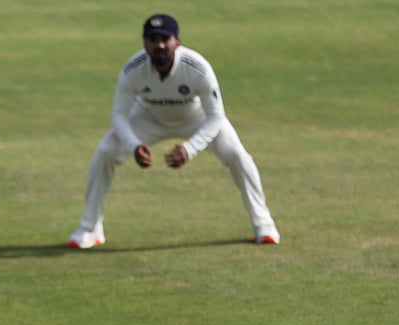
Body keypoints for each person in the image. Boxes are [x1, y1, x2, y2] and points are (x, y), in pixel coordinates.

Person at [68, 14, 279, 249]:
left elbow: (216, 117)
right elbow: (118, 115)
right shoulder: (132, 70)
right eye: (152, 39)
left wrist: (189, 149)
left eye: (164, 39)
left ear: (177, 41)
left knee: (236, 155)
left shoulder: (197, 68)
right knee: (106, 151)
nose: (159, 45)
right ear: (144, 42)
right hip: (149, 117)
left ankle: (264, 224)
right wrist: (133, 146)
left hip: (195, 118)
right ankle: (90, 228)